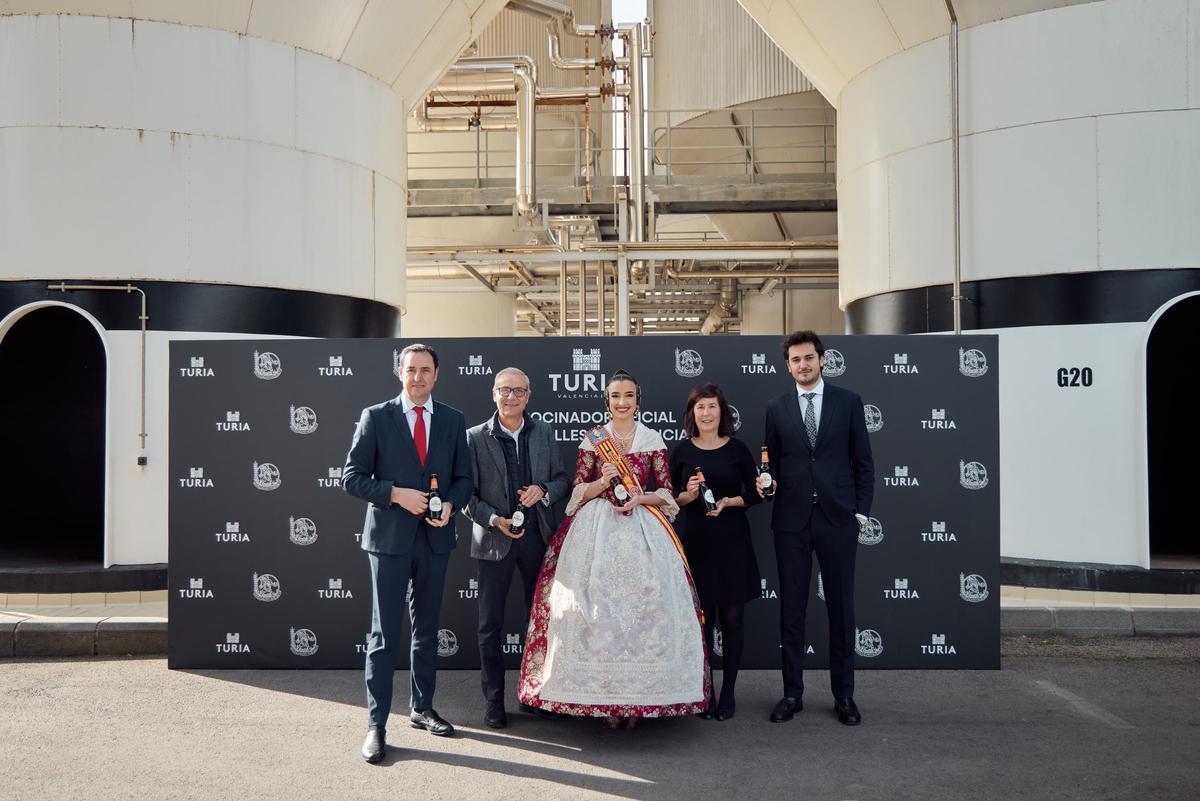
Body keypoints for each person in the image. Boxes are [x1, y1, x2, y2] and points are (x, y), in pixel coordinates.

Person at [518, 369, 709, 728]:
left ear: (639, 401)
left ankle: (639, 701)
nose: (622, 403)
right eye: (616, 396)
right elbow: (577, 490)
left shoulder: (652, 439)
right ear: (606, 401)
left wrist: (640, 498)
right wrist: (602, 481)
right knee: (591, 610)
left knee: (647, 610)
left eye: (629, 396)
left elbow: (666, 492)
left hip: (643, 526)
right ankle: (602, 701)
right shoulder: (594, 440)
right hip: (595, 527)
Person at [343, 343, 472, 763]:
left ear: (437, 374)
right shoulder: (376, 417)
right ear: (399, 372)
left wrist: (450, 504)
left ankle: (422, 708)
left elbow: (464, 480)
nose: (417, 377)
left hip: (435, 540)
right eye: (410, 369)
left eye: (425, 370)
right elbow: (352, 478)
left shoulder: (453, 421)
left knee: (427, 631)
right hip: (389, 542)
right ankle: (376, 724)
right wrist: (395, 494)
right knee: (383, 636)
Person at [762, 330, 874, 727]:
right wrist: (768, 483)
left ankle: (844, 696)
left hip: (838, 518)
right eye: (795, 360)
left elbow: (863, 461)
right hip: (791, 521)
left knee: (842, 609)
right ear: (788, 365)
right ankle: (792, 693)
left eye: (808, 358)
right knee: (792, 610)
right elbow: (771, 463)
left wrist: (860, 512)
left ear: (822, 360)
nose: (803, 365)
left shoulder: (848, 402)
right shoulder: (776, 407)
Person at [462, 367, 571, 729]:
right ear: (493, 394)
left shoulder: (544, 433)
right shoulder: (474, 438)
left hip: (537, 539)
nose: (511, 397)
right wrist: (495, 520)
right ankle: (494, 702)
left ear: (529, 395)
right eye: (504, 390)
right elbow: (466, 498)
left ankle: (534, 694)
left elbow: (562, 481)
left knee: (539, 621)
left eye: (519, 391)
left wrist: (543, 490)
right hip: (494, 541)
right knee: (489, 625)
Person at [670, 383, 761, 721]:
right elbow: (668, 500)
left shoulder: (737, 449)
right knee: (703, 623)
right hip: (696, 544)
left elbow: (757, 492)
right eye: (700, 407)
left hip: (733, 541)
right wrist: (687, 497)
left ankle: (728, 693)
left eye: (712, 406)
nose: (706, 413)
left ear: (722, 411)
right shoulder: (680, 451)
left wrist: (729, 501)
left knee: (734, 619)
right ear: (691, 413)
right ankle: (704, 691)